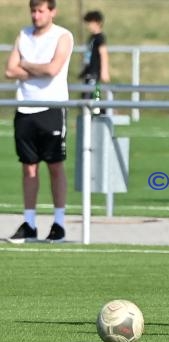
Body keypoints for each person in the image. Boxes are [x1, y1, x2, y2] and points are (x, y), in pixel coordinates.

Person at [4, 0, 74, 243]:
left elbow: (53, 69)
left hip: (52, 108)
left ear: (52, 12)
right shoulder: (23, 35)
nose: (36, 15)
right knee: (28, 167)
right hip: (25, 108)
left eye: (40, 11)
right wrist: (35, 69)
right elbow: (9, 70)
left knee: (55, 166)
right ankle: (30, 223)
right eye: (33, 11)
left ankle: (59, 223)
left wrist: (26, 64)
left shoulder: (62, 36)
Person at [79, 10, 110, 109]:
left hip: (95, 73)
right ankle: (88, 119)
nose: (89, 25)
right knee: (85, 96)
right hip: (89, 72)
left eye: (90, 23)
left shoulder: (100, 38)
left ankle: (99, 117)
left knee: (96, 97)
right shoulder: (91, 37)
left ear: (98, 23)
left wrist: (104, 72)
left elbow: (103, 54)